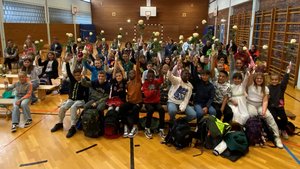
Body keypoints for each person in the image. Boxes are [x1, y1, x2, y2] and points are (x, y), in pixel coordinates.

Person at [50, 60, 89, 138]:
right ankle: (60, 123)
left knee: (73, 107)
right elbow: (68, 72)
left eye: (79, 75)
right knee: (62, 107)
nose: (78, 76)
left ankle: (73, 126)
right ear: (74, 76)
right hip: (71, 100)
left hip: (81, 100)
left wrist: (86, 100)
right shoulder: (73, 81)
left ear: (81, 75)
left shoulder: (85, 82)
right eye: (76, 75)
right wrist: (67, 63)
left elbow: (87, 92)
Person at [246, 72, 283, 148]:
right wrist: (251, 72)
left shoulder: (265, 89)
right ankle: (255, 134)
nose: (259, 80)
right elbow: (249, 79)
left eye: (261, 78)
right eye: (257, 78)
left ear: (263, 79)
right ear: (255, 79)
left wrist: (263, 110)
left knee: (269, 117)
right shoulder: (250, 85)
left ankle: (277, 137)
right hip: (250, 104)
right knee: (252, 114)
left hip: (260, 105)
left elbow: (265, 101)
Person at [118, 55, 142, 138]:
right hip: (130, 102)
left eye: (133, 73)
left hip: (138, 102)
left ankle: (135, 127)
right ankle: (126, 126)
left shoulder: (138, 80)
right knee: (122, 108)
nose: (131, 74)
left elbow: (138, 69)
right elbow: (127, 93)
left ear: (135, 74)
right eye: (130, 73)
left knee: (135, 109)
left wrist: (137, 60)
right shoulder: (128, 83)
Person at [268, 64, 291, 139]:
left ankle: (283, 129)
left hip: (280, 107)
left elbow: (285, 80)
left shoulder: (281, 87)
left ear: (278, 80)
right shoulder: (268, 88)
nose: (274, 81)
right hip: (271, 107)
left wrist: (287, 71)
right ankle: (277, 128)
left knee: (284, 119)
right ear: (270, 80)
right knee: (273, 118)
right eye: (272, 80)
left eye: (276, 80)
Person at [142, 69, 166, 139]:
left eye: (152, 76)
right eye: (149, 76)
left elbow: (161, 81)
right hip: (148, 102)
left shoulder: (155, 82)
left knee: (161, 110)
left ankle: (161, 129)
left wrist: (161, 74)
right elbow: (146, 95)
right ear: (147, 76)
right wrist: (154, 91)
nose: (151, 78)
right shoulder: (145, 84)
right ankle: (147, 128)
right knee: (150, 110)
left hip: (156, 102)